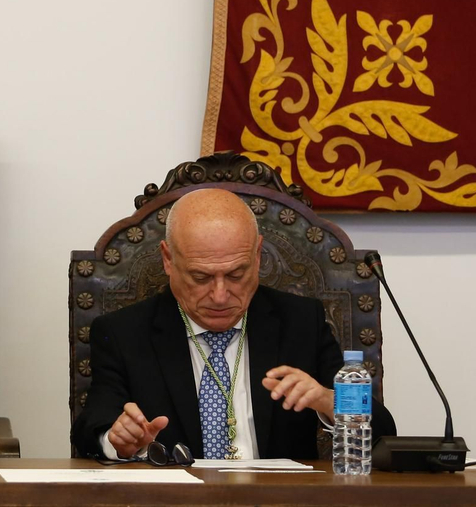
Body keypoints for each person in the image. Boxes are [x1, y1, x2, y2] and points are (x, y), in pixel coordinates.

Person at [70, 188, 396, 460]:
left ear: (257, 255)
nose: (220, 295)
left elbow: (382, 431)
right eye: (201, 277)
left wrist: (328, 400)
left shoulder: (301, 321)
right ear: (168, 259)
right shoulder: (124, 333)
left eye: (237, 274)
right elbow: (91, 429)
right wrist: (118, 440)